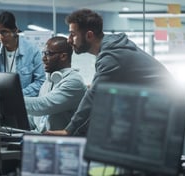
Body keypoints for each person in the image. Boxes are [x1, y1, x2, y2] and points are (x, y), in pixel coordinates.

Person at [45, 9, 175, 136]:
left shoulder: (111, 56)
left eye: (73, 34)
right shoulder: (111, 47)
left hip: (163, 113)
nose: (69, 40)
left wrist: (69, 130)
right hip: (156, 107)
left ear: (89, 35)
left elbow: (94, 96)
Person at [24, 36, 87, 133]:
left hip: (60, 144)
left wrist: (12, 101)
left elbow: (42, 106)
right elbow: (35, 120)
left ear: (63, 56)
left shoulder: (74, 82)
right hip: (39, 137)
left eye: (48, 54)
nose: (43, 58)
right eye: (43, 53)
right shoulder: (48, 81)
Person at [0, 11, 45, 97]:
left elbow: (40, 81)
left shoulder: (33, 50)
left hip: (24, 102)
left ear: (15, 31)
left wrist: (17, 95)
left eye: (4, 32)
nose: (0, 37)